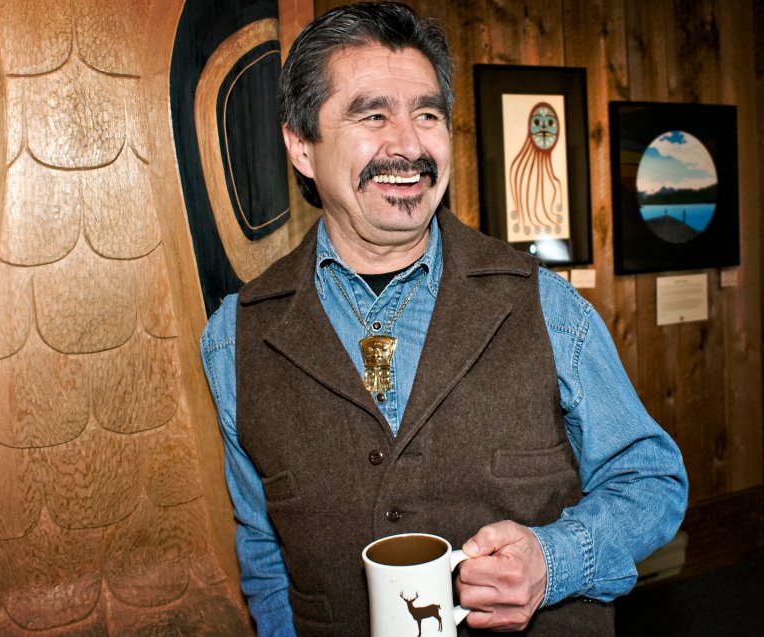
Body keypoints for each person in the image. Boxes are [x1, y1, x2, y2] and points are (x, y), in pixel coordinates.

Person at [199, 3, 688, 636]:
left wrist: (554, 559)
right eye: (373, 115)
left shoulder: (547, 306)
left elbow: (651, 480)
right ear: (301, 146)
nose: (409, 145)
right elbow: (264, 549)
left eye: (427, 115)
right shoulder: (235, 338)